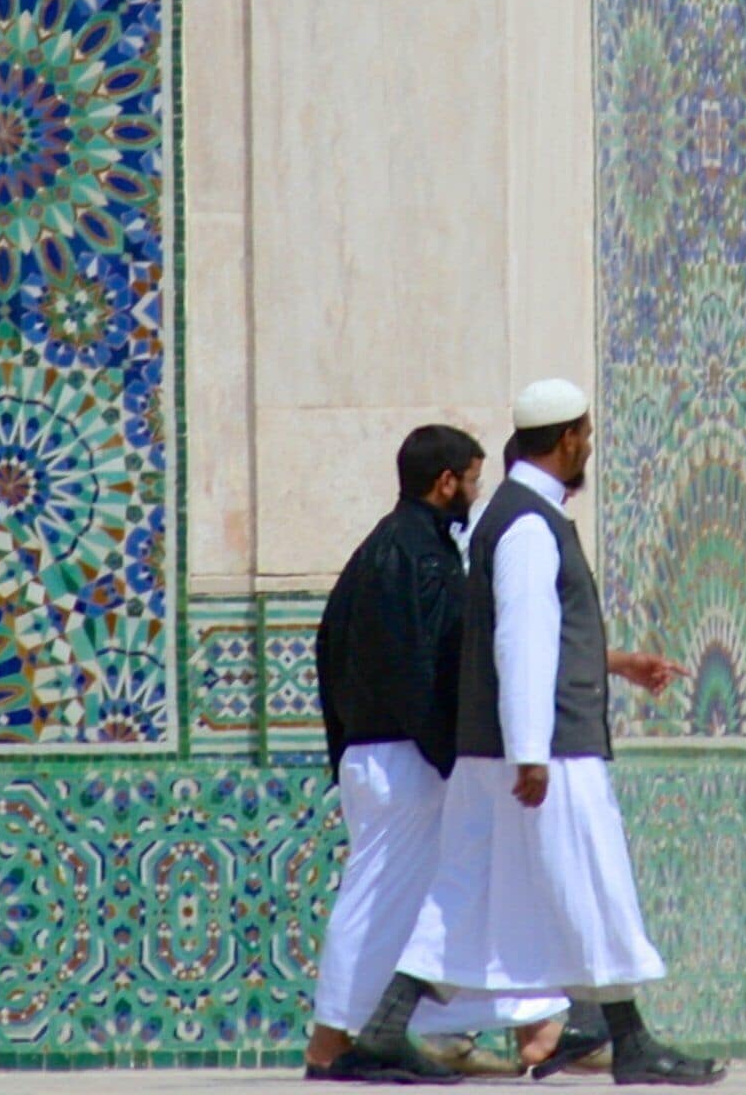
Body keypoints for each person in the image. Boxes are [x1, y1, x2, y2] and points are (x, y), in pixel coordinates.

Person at [337, 380, 724, 1086]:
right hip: (547, 755)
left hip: (506, 755)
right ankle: (631, 1044)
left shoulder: (518, 517)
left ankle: (385, 1031)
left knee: (462, 899)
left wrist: (610, 667)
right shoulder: (526, 526)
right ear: (570, 438)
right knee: (594, 887)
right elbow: (520, 642)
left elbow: (533, 638)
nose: (588, 447)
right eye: (586, 435)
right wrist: (531, 753)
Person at [305, 424, 571, 1083]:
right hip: (407, 759)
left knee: (437, 894)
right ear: (445, 480)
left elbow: (329, 647)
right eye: (472, 479)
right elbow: (416, 670)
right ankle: (332, 1042)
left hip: (378, 755)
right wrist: (449, 754)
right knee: (382, 896)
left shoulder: (381, 550)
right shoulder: (416, 556)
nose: (476, 493)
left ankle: (494, 1027)